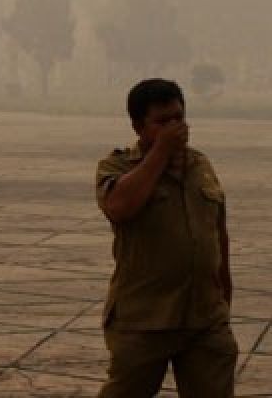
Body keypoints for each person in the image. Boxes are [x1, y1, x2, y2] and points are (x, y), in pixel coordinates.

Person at [94, 78, 237, 397]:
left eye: (179, 118)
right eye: (162, 121)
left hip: (204, 317)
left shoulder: (200, 165)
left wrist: (224, 290)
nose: (175, 128)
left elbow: (218, 229)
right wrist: (160, 153)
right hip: (144, 318)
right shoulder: (116, 166)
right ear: (138, 126)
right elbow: (120, 206)